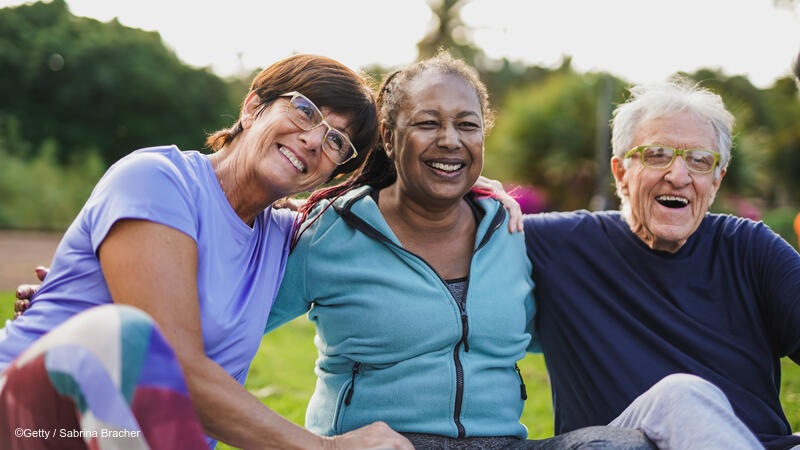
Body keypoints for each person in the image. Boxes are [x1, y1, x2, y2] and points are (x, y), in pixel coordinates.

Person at [1, 54, 412, 449]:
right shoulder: (157, 179)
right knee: (129, 337)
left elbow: (412, 198)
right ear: (253, 108)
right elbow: (174, 368)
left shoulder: (291, 238)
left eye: (336, 141)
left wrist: (468, 186)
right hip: (35, 423)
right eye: (305, 110)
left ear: (330, 173)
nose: (312, 139)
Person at [264, 52, 652, 449]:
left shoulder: (510, 231)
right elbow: (227, 334)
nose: (450, 140)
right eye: (428, 123)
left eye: (467, 125)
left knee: (622, 445)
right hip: (385, 445)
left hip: (502, 443)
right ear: (388, 136)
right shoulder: (330, 232)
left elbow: (561, 330)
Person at [523, 79, 800, 449]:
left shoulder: (752, 249)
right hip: (626, 443)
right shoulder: (556, 244)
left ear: (716, 182)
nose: (679, 176)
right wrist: (490, 198)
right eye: (656, 155)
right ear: (621, 173)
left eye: (700, 161)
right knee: (679, 397)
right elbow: (439, 212)